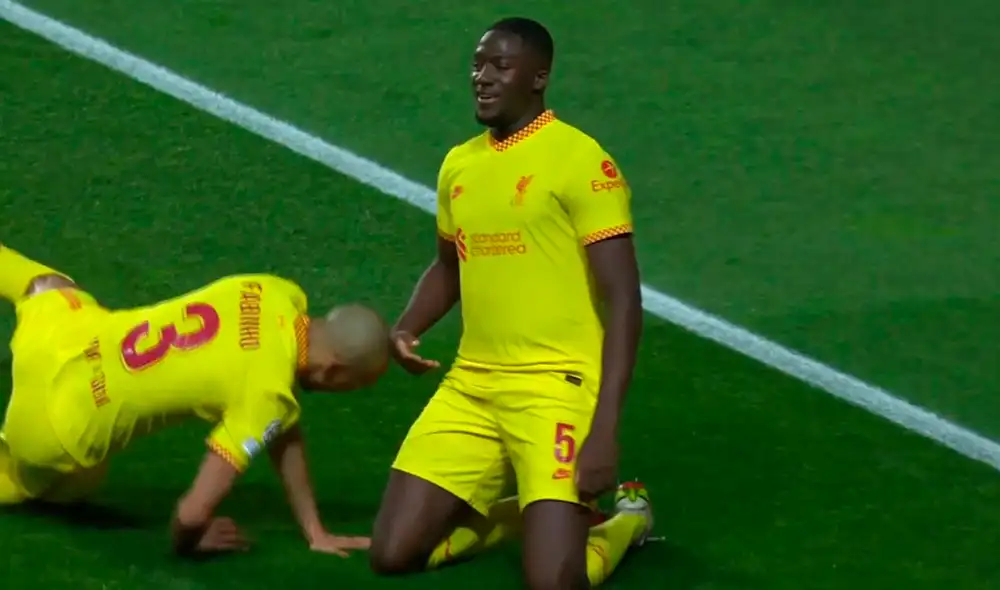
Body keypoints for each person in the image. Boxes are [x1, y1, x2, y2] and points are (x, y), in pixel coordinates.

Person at [369, 16, 652, 589]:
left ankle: (626, 522)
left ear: (539, 77)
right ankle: (529, 512)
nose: (482, 77)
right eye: (478, 64)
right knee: (392, 554)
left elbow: (624, 301)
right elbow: (450, 266)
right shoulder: (460, 164)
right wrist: (407, 327)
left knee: (553, 583)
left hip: (555, 385)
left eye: (500, 65)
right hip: (471, 386)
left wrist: (605, 430)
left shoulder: (580, 161)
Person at [0, 243, 385, 558]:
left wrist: (315, 529)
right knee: (74, 480)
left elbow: (282, 431)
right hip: (52, 429)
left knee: (47, 283)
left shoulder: (275, 291)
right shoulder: (267, 395)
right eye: (353, 385)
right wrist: (191, 539)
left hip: (63, 336)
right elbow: (190, 514)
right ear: (333, 372)